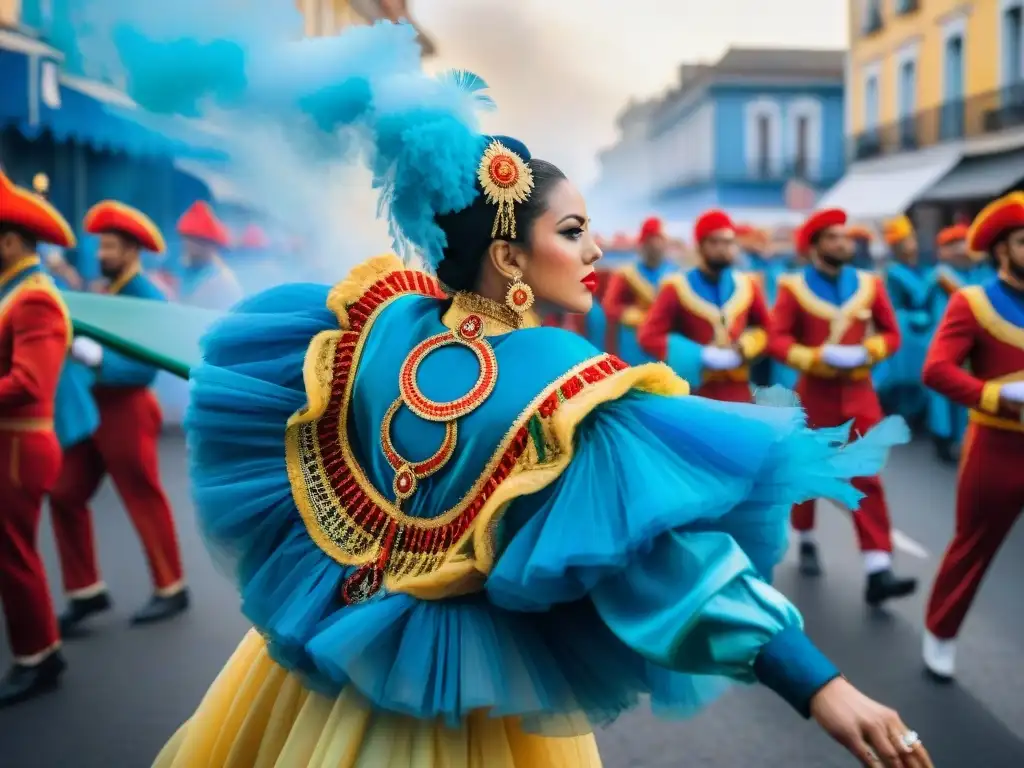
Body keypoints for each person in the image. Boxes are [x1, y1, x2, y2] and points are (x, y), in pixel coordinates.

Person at [132, 49, 935, 766]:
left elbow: (241, 379)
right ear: (511, 254)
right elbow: (664, 564)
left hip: (304, 674)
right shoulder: (562, 380)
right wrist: (819, 684)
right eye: (575, 231)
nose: (596, 251)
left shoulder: (370, 321)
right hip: (447, 711)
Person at [767, 208, 918, 603]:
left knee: (867, 474)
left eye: (844, 237)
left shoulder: (870, 283)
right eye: (832, 237)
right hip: (815, 393)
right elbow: (777, 339)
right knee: (808, 472)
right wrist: (817, 356)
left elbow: (892, 334)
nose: (842, 243)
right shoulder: (793, 288)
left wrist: (866, 351)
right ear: (815, 246)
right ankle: (805, 537)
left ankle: (878, 567)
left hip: (859, 392)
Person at [52, 200, 188, 630]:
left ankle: (172, 586)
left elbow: (148, 364)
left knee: (142, 496)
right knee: (63, 491)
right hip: (98, 408)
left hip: (127, 408)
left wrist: (97, 361)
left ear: (131, 250)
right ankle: (85, 590)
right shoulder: (109, 290)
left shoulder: (145, 295)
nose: (101, 254)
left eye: (109, 246)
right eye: (101, 246)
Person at [920, 193, 1024, 681]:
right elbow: (936, 370)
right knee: (972, 547)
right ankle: (940, 630)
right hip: (996, 445)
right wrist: (995, 397)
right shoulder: (973, 301)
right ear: (1003, 250)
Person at [0, 170, 75, 706]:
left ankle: (38, 654)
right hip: (13, 443)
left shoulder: (32, 298)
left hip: (20, 446)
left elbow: (30, 382)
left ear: (9, 240)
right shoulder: (14, 292)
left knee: (13, 552)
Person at [637, 209, 770, 402]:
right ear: (699, 246)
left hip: (740, 392)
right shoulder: (676, 287)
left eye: (728, 242)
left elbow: (768, 329)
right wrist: (700, 354)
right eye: (714, 242)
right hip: (696, 393)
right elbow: (648, 336)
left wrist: (746, 346)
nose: (722, 248)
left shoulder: (748, 284)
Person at [925, 225, 978, 463]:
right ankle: (941, 438)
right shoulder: (940, 275)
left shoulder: (977, 272)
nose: (961, 248)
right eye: (955, 244)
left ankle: (961, 437)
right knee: (942, 392)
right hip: (941, 336)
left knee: (963, 390)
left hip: (969, 339)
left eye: (963, 242)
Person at [877, 215, 933, 421]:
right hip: (904, 327)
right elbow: (914, 296)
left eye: (912, 240)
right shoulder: (893, 271)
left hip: (925, 327)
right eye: (906, 241)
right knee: (902, 373)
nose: (912, 245)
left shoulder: (921, 267)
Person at [601, 216, 677, 363]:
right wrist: (629, 314)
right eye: (651, 240)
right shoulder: (626, 274)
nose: (656, 245)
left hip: (665, 341)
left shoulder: (676, 274)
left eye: (660, 240)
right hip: (634, 342)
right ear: (643, 244)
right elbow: (610, 306)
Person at [177, 201, 243, 311]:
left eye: (194, 240)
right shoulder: (190, 270)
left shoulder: (220, 281)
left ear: (210, 245)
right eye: (186, 238)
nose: (187, 245)